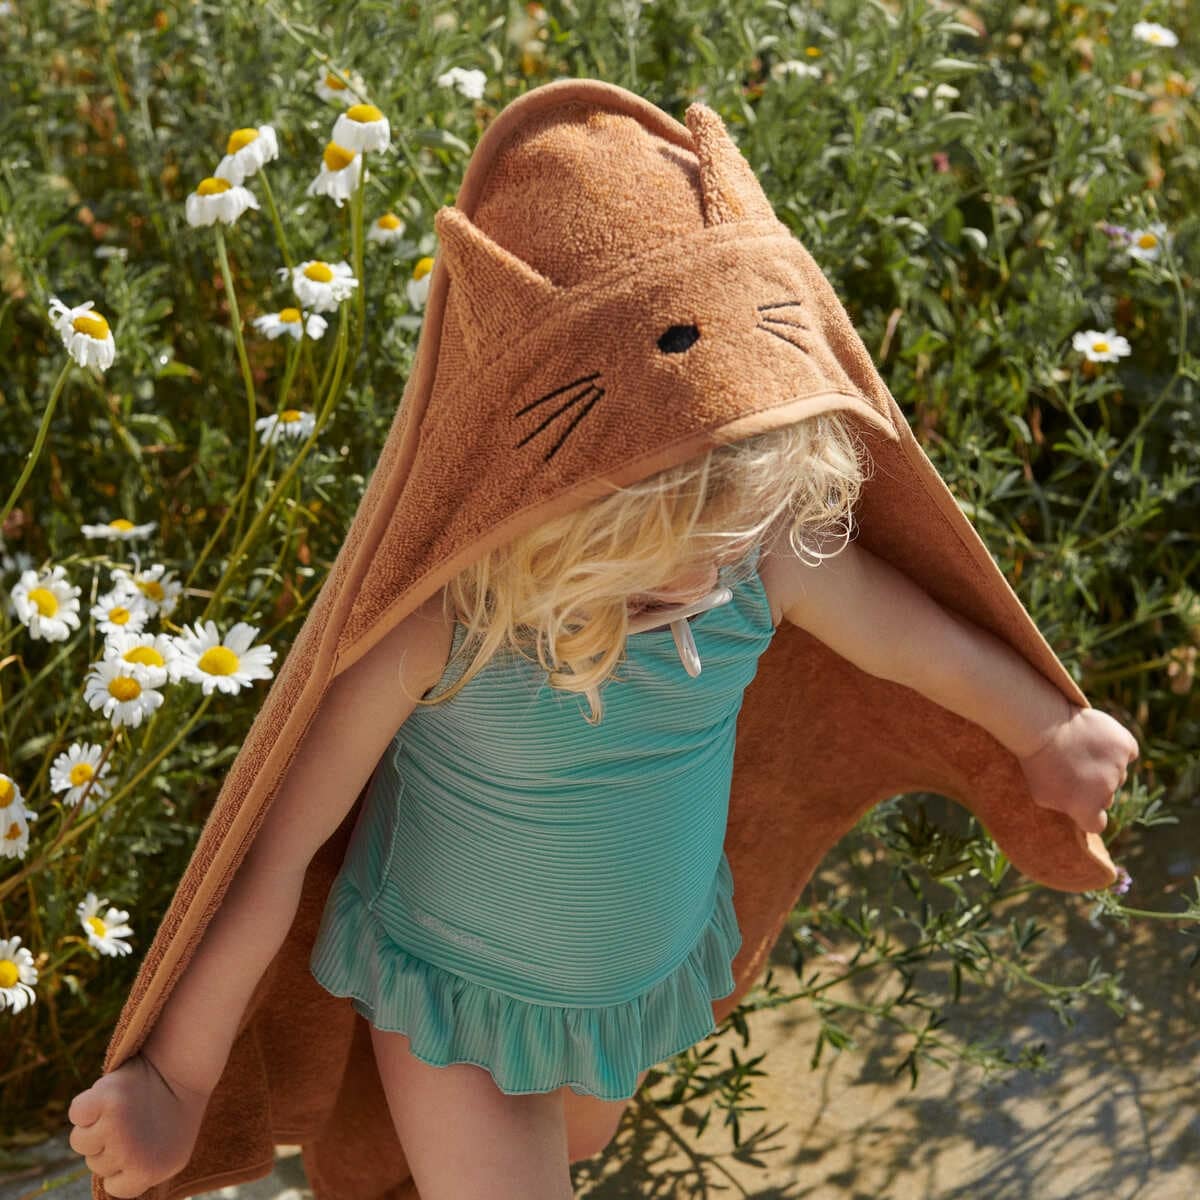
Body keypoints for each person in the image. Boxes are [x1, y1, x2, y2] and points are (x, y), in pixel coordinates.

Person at [65, 79, 1138, 1200]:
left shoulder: (756, 554)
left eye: (730, 531)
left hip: (630, 985)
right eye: (652, 558)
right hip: (454, 1001)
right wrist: (178, 1081)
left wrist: (1044, 729)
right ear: (544, 510)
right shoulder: (449, 626)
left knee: (571, 1147)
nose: (705, 578)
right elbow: (274, 855)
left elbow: (915, 646)